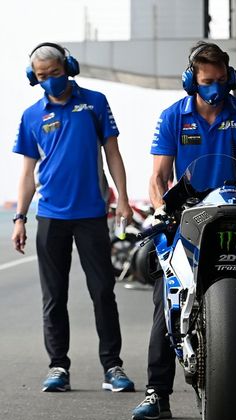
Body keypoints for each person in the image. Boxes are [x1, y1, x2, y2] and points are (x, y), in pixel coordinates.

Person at [131, 41, 236, 420]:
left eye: (220, 80)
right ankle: (157, 393)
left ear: (230, 78)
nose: (214, 88)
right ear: (191, 81)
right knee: (167, 294)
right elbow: (158, 176)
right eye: (206, 81)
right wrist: (161, 210)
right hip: (188, 216)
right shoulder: (173, 117)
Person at [11, 42, 135, 393]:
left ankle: (113, 366)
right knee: (54, 297)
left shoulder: (94, 102)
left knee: (102, 292)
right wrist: (19, 217)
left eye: (54, 73)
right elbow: (27, 172)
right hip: (50, 216)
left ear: (69, 67)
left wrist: (123, 198)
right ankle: (58, 367)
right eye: (41, 77)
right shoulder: (32, 115)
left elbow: (112, 152)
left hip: (92, 214)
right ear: (33, 78)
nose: (49, 80)